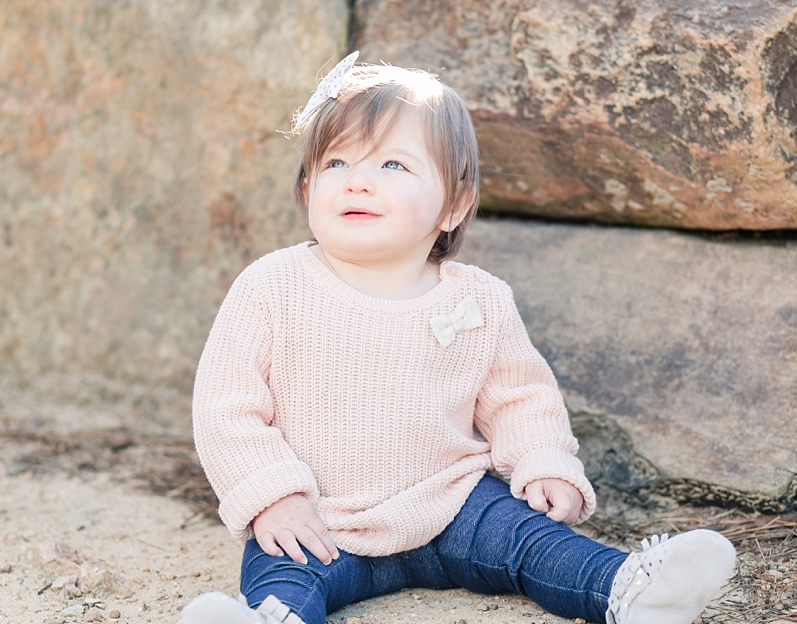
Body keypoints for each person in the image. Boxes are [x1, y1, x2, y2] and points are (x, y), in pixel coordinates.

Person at [180, 53, 736, 624]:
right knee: (284, 570)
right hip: (323, 519)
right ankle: (273, 618)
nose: (359, 180)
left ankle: (627, 589)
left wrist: (543, 462)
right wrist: (274, 497)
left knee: (532, 541)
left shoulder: (478, 299)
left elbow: (519, 396)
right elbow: (227, 408)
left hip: (452, 503)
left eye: (393, 165)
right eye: (337, 161)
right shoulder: (272, 286)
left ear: (454, 204)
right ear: (306, 186)